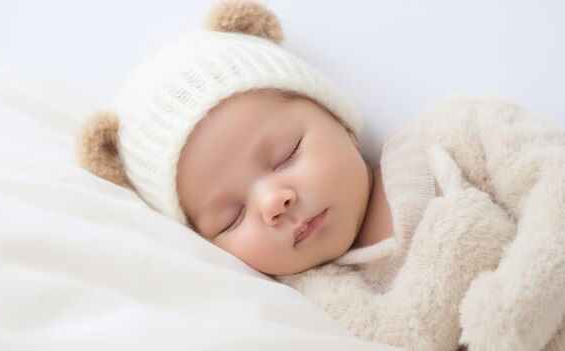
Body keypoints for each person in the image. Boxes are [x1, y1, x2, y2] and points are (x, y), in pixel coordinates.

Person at [77, 1, 565, 350]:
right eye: (231, 217)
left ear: (342, 125)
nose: (274, 202)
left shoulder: (454, 133)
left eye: (286, 154)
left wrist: (515, 307)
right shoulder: (311, 306)